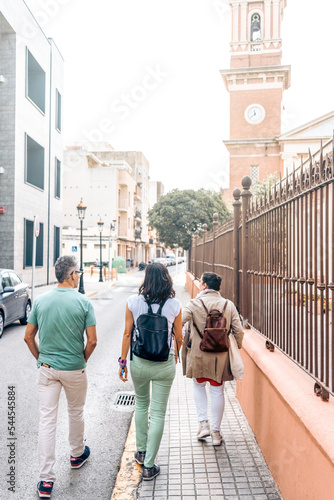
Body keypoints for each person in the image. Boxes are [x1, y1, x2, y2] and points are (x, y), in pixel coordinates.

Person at [24, 255, 97, 499]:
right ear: (71, 274)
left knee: (47, 420)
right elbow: (93, 340)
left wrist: (40, 359)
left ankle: (46, 481)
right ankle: (77, 454)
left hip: (47, 367)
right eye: (79, 272)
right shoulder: (83, 302)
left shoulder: (41, 301)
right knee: (75, 412)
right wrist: (81, 360)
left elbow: (28, 336)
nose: (79, 276)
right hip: (74, 368)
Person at [119, 263, 182, 480]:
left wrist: (122, 362)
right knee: (158, 413)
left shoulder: (133, 302)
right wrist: (175, 355)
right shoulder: (175, 305)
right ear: (167, 279)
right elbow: (179, 337)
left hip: (139, 362)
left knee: (141, 404)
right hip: (165, 364)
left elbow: (127, 334)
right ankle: (149, 466)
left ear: (146, 279)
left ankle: (141, 451)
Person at [182, 272, 244, 446]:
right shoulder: (228, 305)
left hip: (198, 353)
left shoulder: (194, 304)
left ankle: (203, 425)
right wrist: (236, 346)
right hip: (220, 355)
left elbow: (179, 321)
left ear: (204, 285)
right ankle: (216, 433)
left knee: (199, 385)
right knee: (218, 390)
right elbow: (238, 331)